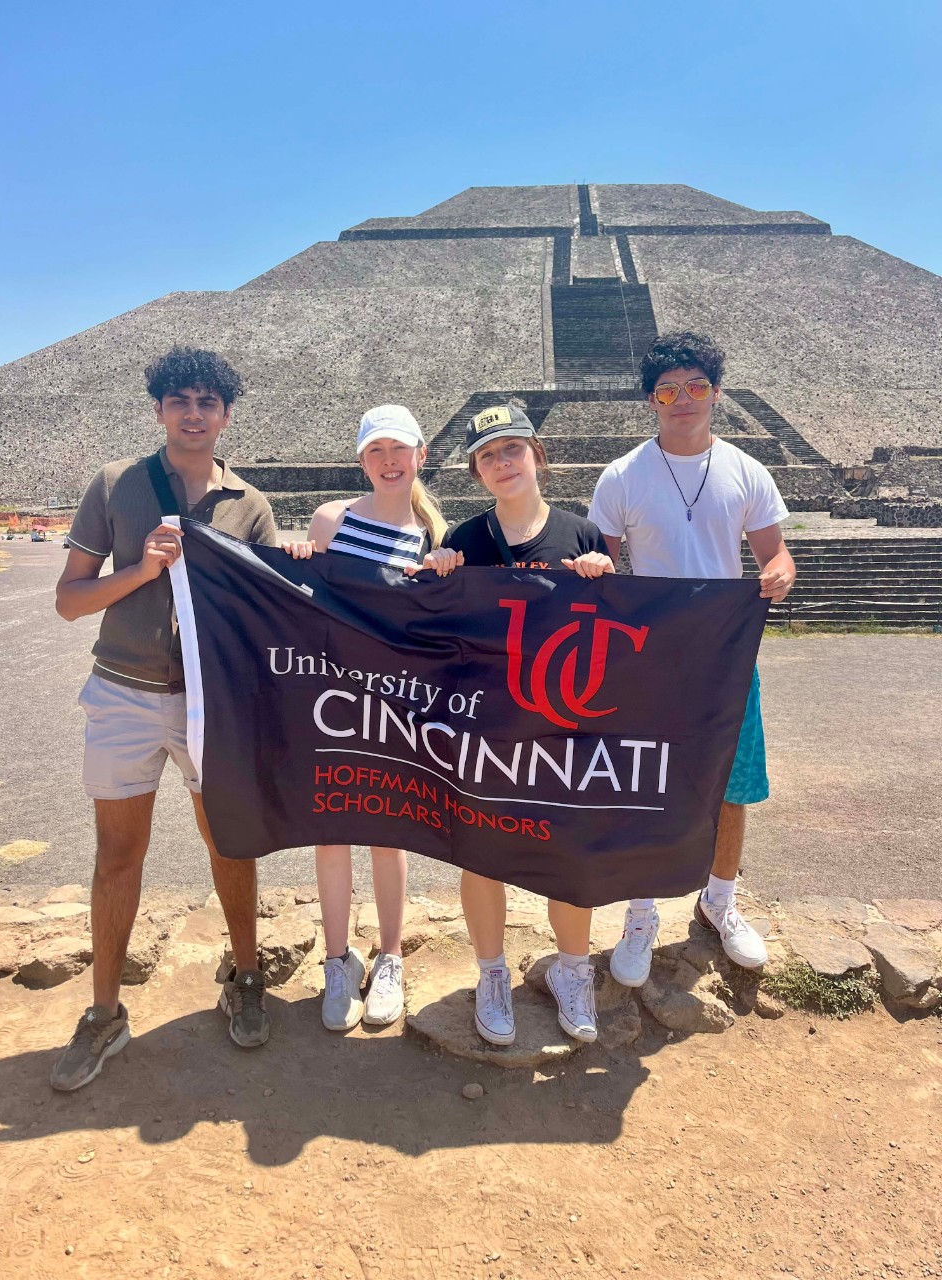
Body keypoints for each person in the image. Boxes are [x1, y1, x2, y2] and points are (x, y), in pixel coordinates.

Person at [50, 346, 278, 1092]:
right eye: (179, 399)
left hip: (212, 703)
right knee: (118, 856)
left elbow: (272, 611)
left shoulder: (250, 503)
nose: (193, 413)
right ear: (158, 410)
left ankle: (245, 974)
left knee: (230, 844)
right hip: (122, 691)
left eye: (207, 401)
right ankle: (104, 1010)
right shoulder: (116, 484)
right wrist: (142, 569)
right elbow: (70, 598)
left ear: (226, 415)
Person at [587, 331, 796, 986]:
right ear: (652, 400)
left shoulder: (745, 471)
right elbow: (602, 558)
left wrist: (781, 574)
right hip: (651, 659)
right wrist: (594, 565)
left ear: (716, 394)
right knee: (646, 783)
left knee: (731, 788)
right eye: (669, 390)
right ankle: (642, 910)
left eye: (696, 387)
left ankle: (720, 902)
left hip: (727, 656)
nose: (683, 400)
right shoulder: (622, 475)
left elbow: (775, 553)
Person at [442, 403, 616, 1047]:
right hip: (486, 722)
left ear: (537, 456)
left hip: (564, 722)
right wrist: (437, 579)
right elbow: (437, 632)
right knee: (482, 849)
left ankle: (573, 969)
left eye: (512, 449)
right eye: (488, 455)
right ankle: (492, 974)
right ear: (477, 472)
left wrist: (604, 579)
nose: (502, 463)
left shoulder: (582, 535)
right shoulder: (463, 542)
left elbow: (614, 634)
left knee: (570, 849)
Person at [283, 405, 458, 1032]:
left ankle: (389, 957)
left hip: (396, 700)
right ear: (362, 461)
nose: (389, 461)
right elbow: (306, 599)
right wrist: (301, 555)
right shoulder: (334, 518)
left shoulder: (437, 537)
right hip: (332, 695)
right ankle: (336, 959)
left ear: (420, 457)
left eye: (400, 450)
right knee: (332, 831)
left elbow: (441, 626)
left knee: (389, 831)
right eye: (376, 451)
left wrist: (445, 577)